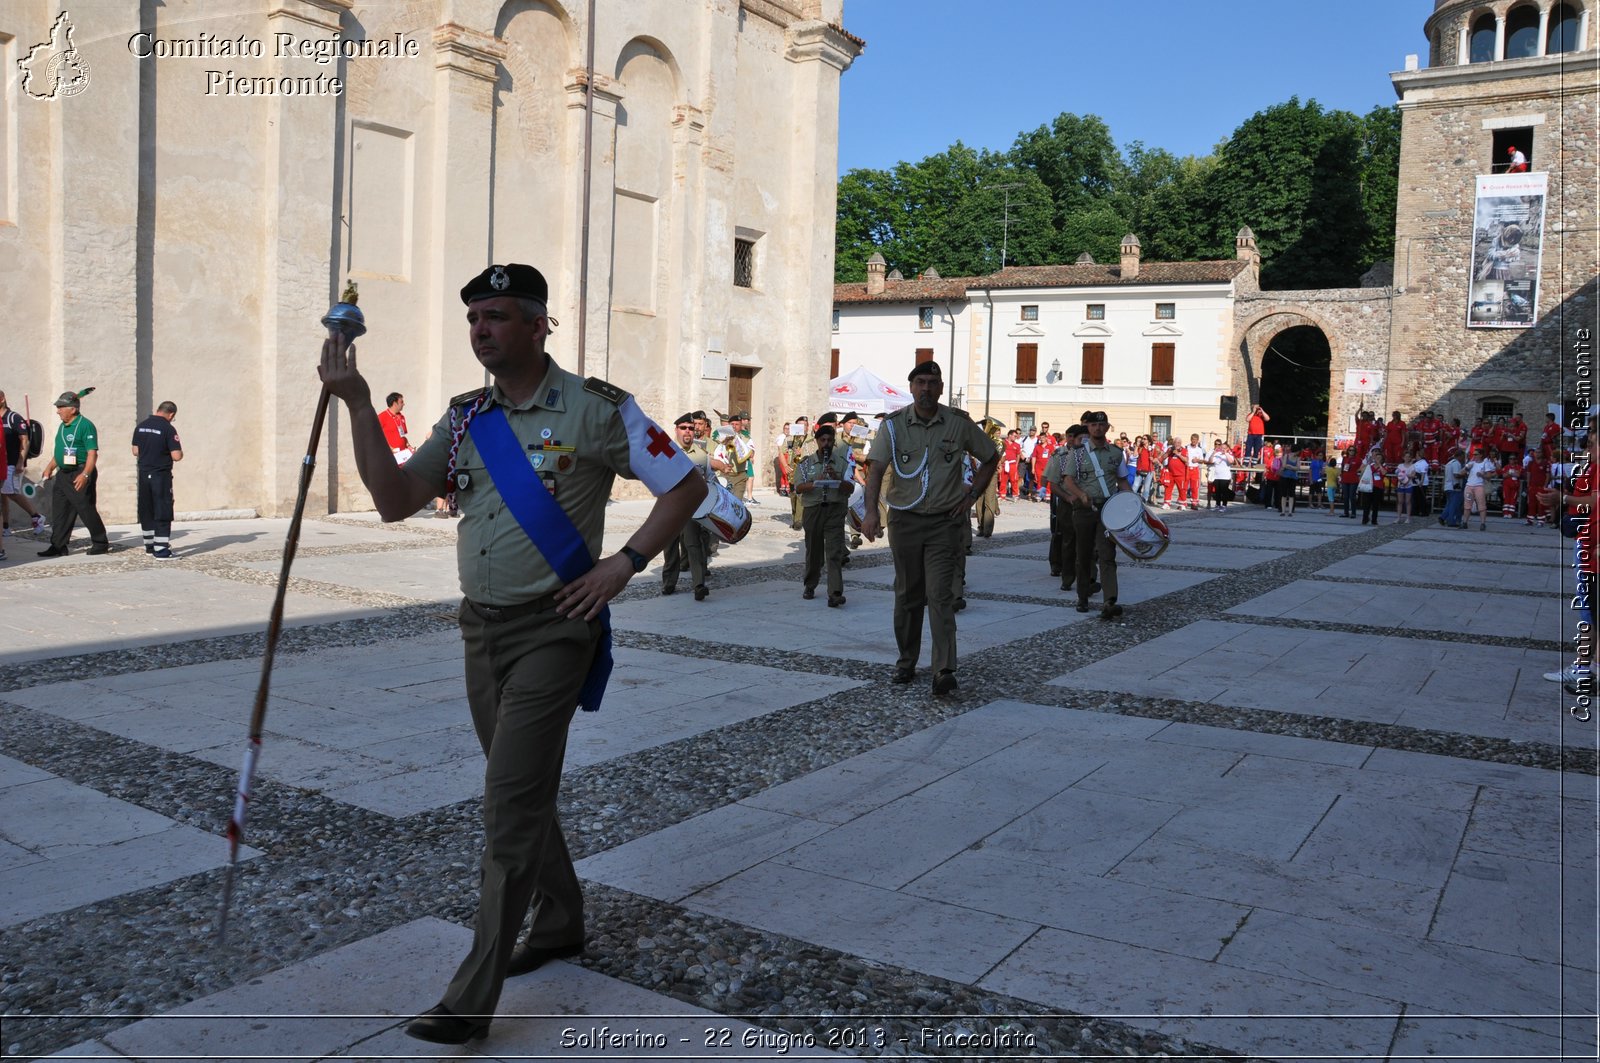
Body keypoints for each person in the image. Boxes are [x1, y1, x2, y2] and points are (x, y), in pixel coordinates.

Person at [317, 262, 705, 1046]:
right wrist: (358, 405)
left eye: (496, 316)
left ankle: (472, 993)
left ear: (538, 325)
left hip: (557, 627)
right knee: (518, 789)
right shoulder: (465, 418)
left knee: (507, 806)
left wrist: (621, 564)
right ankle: (559, 919)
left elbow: (687, 486)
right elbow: (394, 500)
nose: (481, 330)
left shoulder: (599, 410)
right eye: (474, 319)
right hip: (480, 630)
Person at [860, 361, 998, 696]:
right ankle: (907, 661)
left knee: (940, 596)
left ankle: (944, 670)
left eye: (933, 383)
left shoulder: (957, 424)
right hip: (905, 521)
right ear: (911, 387)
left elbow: (991, 456)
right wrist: (870, 513)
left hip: (944, 523)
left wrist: (972, 496)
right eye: (920, 382)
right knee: (908, 595)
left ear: (940, 388)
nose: (926, 389)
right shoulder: (893, 426)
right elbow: (875, 469)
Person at [1059, 411, 1129, 619]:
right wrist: (1081, 495)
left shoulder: (1116, 453)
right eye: (1093, 425)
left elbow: (1122, 481)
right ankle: (1082, 597)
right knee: (1084, 554)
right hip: (1084, 510)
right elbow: (1068, 480)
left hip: (1108, 509)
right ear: (1088, 428)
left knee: (1108, 554)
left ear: (1107, 428)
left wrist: (1132, 502)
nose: (1097, 428)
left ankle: (1110, 600)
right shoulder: (1078, 453)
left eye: (1102, 425)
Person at [38, 391, 111, 557]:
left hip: (80, 471)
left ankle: (100, 543)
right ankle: (58, 546)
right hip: (63, 473)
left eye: (61, 407)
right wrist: (50, 466)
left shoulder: (85, 425)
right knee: (60, 510)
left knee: (85, 508)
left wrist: (85, 475)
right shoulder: (63, 426)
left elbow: (92, 454)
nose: (58, 411)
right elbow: (61, 452)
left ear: (72, 409)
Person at [660, 414, 722, 599]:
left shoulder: (702, 455)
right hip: (670, 506)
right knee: (670, 547)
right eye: (683, 428)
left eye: (690, 428)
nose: (687, 431)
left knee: (694, 545)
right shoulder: (666, 451)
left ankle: (699, 585)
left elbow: (710, 479)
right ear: (676, 430)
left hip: (692, 507)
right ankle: (669, 583)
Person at [795, 415, 853, 606]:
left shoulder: (842, 462)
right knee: (814, 551)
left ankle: (835, 592)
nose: (826, 443)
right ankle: (810, 584)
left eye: (829, 440)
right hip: (814, 510)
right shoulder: (806, 463)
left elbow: (850, 488)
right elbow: (798, 487)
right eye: (823, 440)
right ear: (817, 441)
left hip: (835, 509)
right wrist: (815, 481)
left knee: (835, 551)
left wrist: (837, 478)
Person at [131, 401, 184, 558]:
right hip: (160, 475)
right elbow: (176, 455)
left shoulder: (140, 426)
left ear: (157, 410)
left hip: (143, 473)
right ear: (171, 414)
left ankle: (149, 546)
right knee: (163, 509)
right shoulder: (168, 428)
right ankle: (161, 549)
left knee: (147, 509)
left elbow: (135, 451)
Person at [0, 391, 46, 538]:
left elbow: (24, 440)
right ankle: (5, 527)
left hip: (12, 463)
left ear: (2, 399)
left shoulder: (13, 417)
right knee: (3, 495)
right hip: (2, 462)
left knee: (10, 492)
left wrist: (20, 462)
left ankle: (36, 516)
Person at [1465, 450, 1497, 530]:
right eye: (1474, 454)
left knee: (1481, 505)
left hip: (1479, 486)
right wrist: (1466, 468)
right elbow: (1463, 471)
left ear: (1481, 455)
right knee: (1467, 505)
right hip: (1469, 486)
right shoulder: (1471, 462)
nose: (1474, 455)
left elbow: (1489, 476)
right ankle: (1464, 522)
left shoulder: (1485, 464)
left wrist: (1482, 475)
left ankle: (1483, 523)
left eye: (1476, 454)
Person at [1439, 448, 1466, 528]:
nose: (1464, 458)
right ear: (1460, 456)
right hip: (1454, 486)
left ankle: (1443, 517)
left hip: (1448, 486)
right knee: (1454, 504)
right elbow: (1456, 475)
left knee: (1450, 503)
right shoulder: (1456, 463)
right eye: (1463, 456)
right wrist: (1464, 475)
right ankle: (1451, 520)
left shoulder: (1449, 463)